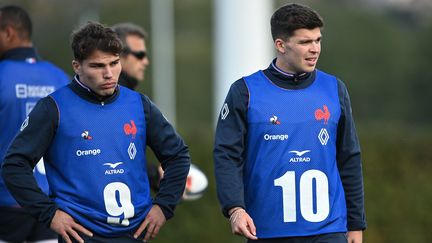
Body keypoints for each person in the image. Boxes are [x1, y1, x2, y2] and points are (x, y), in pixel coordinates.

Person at [2, 21, 190, 243]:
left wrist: (163, 207)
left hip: (134, 235)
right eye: (98, 66)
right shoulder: (54, 108)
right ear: (77, 66)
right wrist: (50, 214)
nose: (109, 73)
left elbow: (178, 156)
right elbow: (15, 165)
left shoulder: (139, 104)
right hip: (80, 237)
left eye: (114, 63)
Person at [214, 3, 366, 243]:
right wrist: (235, 208)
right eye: (305, 42)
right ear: (281, 45)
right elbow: (227, 156)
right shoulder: (245, 92)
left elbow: (349, 158)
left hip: (329, 231)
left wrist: (356, 224)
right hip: (268, 232)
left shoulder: (335, 88)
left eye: (317, 40)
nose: (315, 49)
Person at [113, 22, 208, 199]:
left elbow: (176, 153)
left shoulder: (132, 100)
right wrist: (156, 176)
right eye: (140, 55)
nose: (146, 61)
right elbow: (112, 156)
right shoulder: (116, 101)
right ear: (119, 57)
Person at [0, 5, 69, 243]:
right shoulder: (61, 79)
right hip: (51, 207)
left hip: (7, 203)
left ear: (8, 33)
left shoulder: (2, 76)